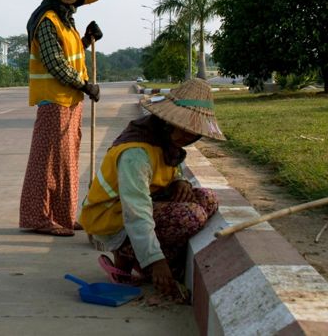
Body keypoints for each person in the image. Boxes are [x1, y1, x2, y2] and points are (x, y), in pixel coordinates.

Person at [80, 78, 226, 298]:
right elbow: (136, 211)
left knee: (208, 199)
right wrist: (155, 261)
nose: (188, 136)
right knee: (190, 216)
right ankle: (126, 255)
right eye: (183, 128)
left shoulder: (166, 143)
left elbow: (166, 169)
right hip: (111, 220)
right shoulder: (135, 154)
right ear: (167, 121)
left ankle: (145, 257)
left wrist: (179, 181)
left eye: (193, 132)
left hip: (141, 205)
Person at [19, 0, 105, 237]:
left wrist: (87, 41)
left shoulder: (67, 23)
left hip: (70, 101)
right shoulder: (47, 21)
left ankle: (64, 216)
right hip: (53, 101)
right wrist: (85, 85)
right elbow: (55, 63)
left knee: (67, 162)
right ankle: (38, 217)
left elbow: (69, 54)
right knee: (47, 162)